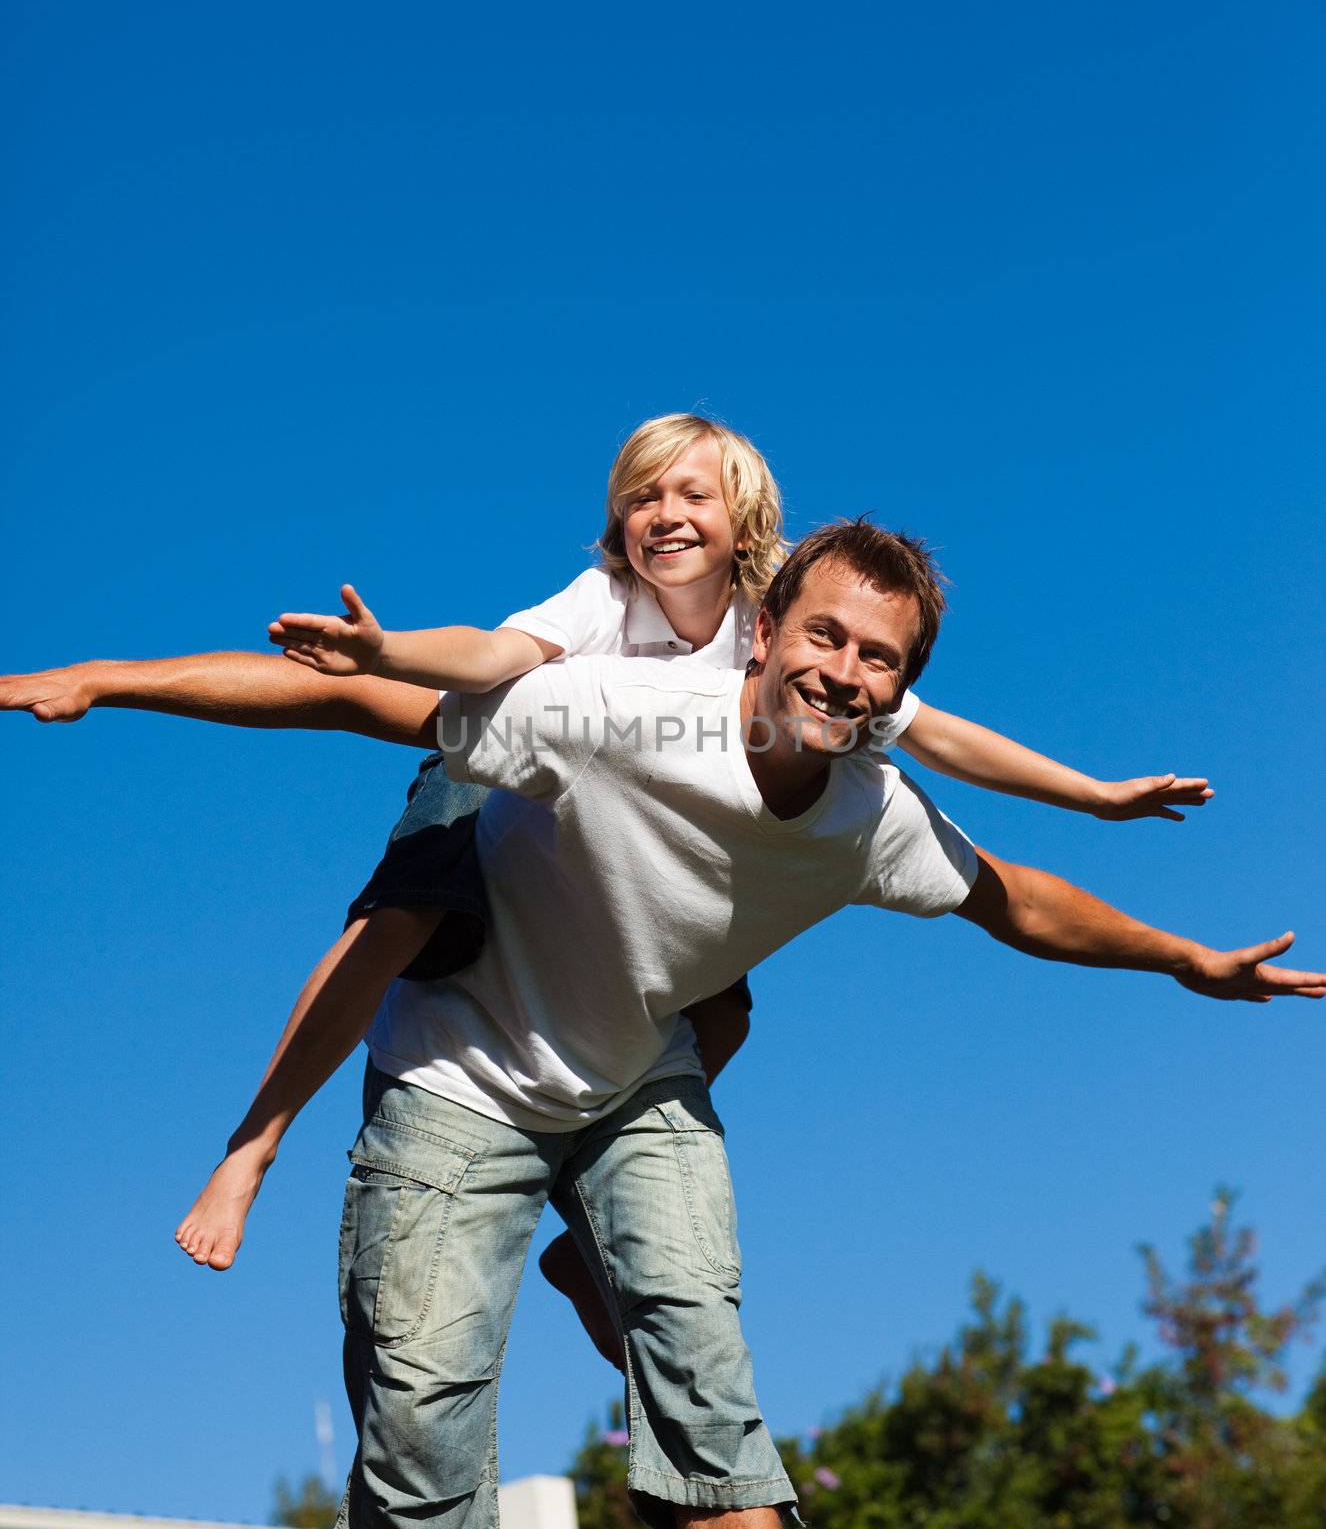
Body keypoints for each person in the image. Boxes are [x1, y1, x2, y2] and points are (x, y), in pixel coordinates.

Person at [2, 522, 1318, 1529]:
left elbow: (1014, 900)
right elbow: (356, 700)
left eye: (879, 661)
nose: (845, 675)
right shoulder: (617, 711)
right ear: (763, 631)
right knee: (422, 1455)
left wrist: (1182, 960)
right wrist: (108, 679)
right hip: (459, 1084)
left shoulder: (869, 814)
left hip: (636, 1091)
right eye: (826, 639)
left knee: (715, 1412)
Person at [183, 413, 1205, 1338]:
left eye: (691, 494)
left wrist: (1097, 796)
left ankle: (591, 1227)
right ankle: (255, 1142)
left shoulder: (792, 631)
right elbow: (491, 660)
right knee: (405, 917)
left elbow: (942, 737)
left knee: (721, 1020)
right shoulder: (599, 602)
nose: (663, 514)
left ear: (748, 523)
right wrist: (390, 650)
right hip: (504, 768)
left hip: (631, 859)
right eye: (641, 495)